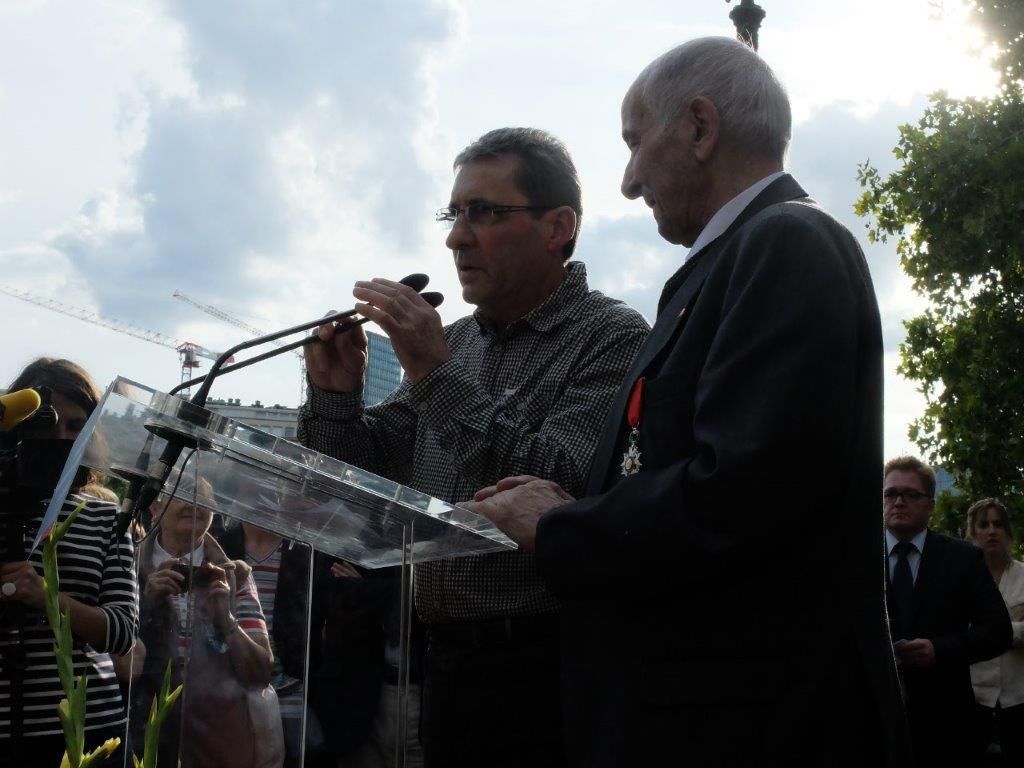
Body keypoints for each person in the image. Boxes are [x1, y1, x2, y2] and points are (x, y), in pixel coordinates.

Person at [467, 38, 913, 766]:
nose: (628, 180)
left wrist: (562, 526)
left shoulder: (786, 242)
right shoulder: (733, 259)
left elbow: (742, 494)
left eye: (635, 142)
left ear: (700, 128)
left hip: (752, 727)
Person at [299, 126, 649, 767]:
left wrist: (433, 375)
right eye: (454, 213)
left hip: (547, 666)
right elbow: (366, 476)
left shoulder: (613, 337)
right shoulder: (457, 341)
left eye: (485, 212)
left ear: (558, 227)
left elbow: (560, 491)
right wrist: (333, 397)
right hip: (444, 661)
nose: (457, 236)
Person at [0, 358, 137, 767]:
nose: (60, 438)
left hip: (87, 733)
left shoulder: (105, 515)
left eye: (77, 426)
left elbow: (122, 631)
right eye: (46, 424)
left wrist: (45, 596)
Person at [133, 479, 282, 768]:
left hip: (216, 740)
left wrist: (226, 620)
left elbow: (261, 671)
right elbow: (114, 654)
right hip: (144, 734)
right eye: (183, 494)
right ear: (155, 506)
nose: (194, 504)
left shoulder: (234, 575)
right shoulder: (129, 566)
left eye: (204, 499)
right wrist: (145, 603)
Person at [882, 457, 1011, 768]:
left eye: (911, 495)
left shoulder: (962, 559)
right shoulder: (855, 556)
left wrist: (940, 649)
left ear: (931, 505)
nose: (899, 502)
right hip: (874, 719)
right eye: (890, 494)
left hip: (946, 723)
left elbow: (998, 632)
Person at [965, 497, 1024, 766]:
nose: (991, 531)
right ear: (972, 531)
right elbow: (957, 631)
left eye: (998, 524)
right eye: (984, 524)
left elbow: (973, 633)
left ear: (1008, 532)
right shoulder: (960, 579)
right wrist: (1014, 627)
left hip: (1019, 697)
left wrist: (987, 631)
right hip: (973, 696)